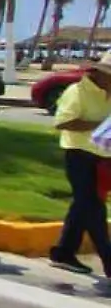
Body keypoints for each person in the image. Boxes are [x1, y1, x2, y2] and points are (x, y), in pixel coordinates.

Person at [49, 51, 111, 275]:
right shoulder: (77, 92)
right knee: (94, 209)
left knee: (82, 206)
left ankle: (63, 252)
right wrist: (101, 125)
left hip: (103, 157)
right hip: (79, 154)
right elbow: (63, 122)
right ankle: (108, 259)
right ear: (100, 74)